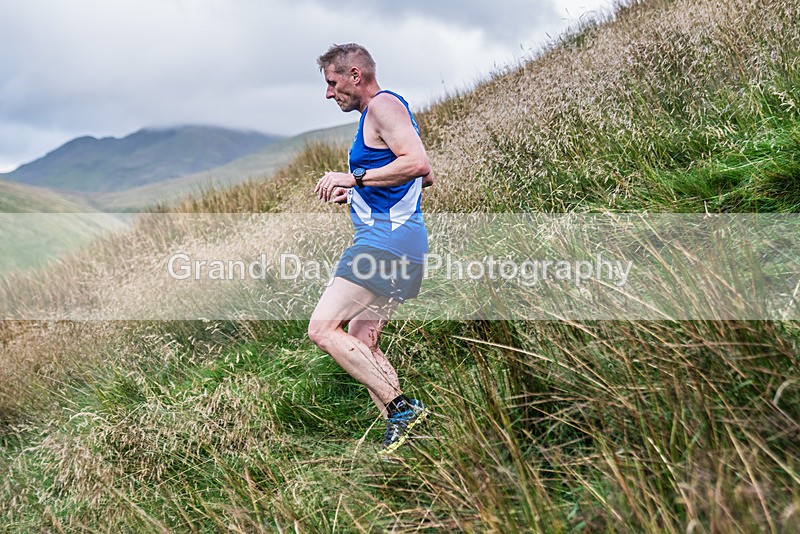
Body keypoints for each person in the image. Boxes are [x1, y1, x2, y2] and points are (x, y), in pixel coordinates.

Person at [309, 43, 434, 454]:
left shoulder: (383, 106)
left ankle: (402, 408)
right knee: (363, 337)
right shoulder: (378, 114)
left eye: (332, 83)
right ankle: (405, 435)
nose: (329, 94)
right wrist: (362, 197)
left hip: (385, 243)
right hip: (404, 240)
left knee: (323, 329)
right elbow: (421, 180)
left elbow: (417, 163)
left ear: (355, 75)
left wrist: (354, 178)